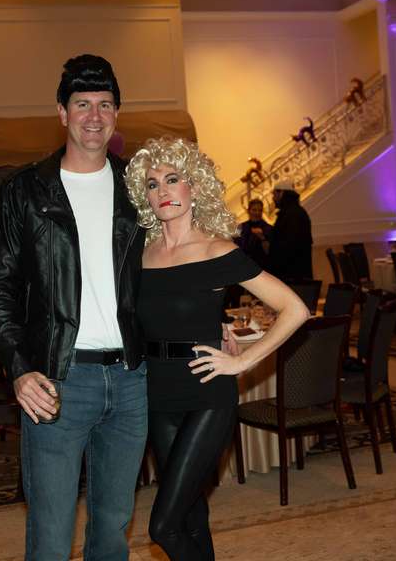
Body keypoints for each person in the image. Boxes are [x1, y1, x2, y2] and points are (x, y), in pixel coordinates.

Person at [0, 54, 147, 560]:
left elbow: (172, 265)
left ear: (117, 114)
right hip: (57, 381)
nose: (94, 116)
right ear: (61, 112)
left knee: (113, 531)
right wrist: (19, 368)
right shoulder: (24, 190)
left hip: (131, 380)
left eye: (105, 105)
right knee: (51, 538)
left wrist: (208, 322)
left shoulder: (138, 187)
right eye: (82, 104)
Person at [124, 136, 309, 560]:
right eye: (152, 184)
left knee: (162, 526)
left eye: (173, 179)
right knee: (191, 515)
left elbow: (294, 309)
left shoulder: (217, 250)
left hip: (207, 391)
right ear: (144, 196)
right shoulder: (140, 255)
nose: (163, 190)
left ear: (195, 187)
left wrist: (243, 361)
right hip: (156, 392)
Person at [268, 182, 314, 281]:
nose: (273, 198)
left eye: (274, 194)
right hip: (295, 273)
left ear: (281, 193)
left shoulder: (291, 214)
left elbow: (288, 245)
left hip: (292, 275)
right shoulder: (295, 211)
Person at [235, 198, 272, 268]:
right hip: (245, 265)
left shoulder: (268, 228)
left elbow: (270, 252)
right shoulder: (242, 227)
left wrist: (262, 238)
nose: (257, 213)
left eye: (260, 210)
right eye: (254, 210)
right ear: (248, 211)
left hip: (262, 266)